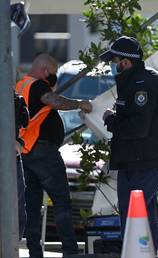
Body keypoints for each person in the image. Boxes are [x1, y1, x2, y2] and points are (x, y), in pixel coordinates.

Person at [100, 36, 158, 251]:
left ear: (126, 62)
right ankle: (147, 253)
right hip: (134, 161)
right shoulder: (134, 81)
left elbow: (138, 128)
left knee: (134, 215)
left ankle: (139, 253)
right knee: (143, 213)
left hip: (143, 162)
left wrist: (111, 119)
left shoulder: (143, 84)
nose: (113, 66)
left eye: (115, 60)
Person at [16, 53, 92, 258]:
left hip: (26, 152)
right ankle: (69, 251)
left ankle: (34, 252)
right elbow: (54, 100)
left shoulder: (21, 85)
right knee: (61, 201)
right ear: (45, 71)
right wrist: (80, 104)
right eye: (52, 76)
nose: (52, 82)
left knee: (32, 205)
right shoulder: (38, 85)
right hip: (43, 153)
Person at [14, 92, 29, 239]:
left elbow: (25, 122)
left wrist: (18, 142)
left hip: (12, 156)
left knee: (17, 207)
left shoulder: (15, 100)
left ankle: (12, 243)